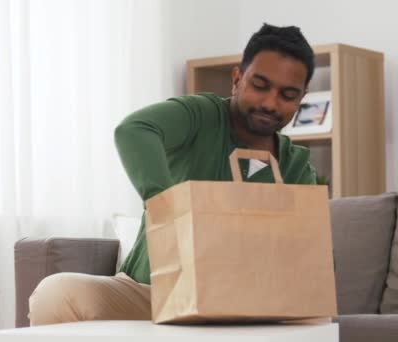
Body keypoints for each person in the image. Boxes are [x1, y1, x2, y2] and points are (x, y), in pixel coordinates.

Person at [28, 23, 317, 326]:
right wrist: (166, 207)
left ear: (301, 98)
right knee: (57, 293)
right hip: (150, 293)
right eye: (260, 85)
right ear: (236, 79)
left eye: (287, 94)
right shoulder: (201, 115)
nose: (270, 103)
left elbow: (315, 260)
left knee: (315, 320)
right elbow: (135, 130)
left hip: (247, 307)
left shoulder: (296, 166)